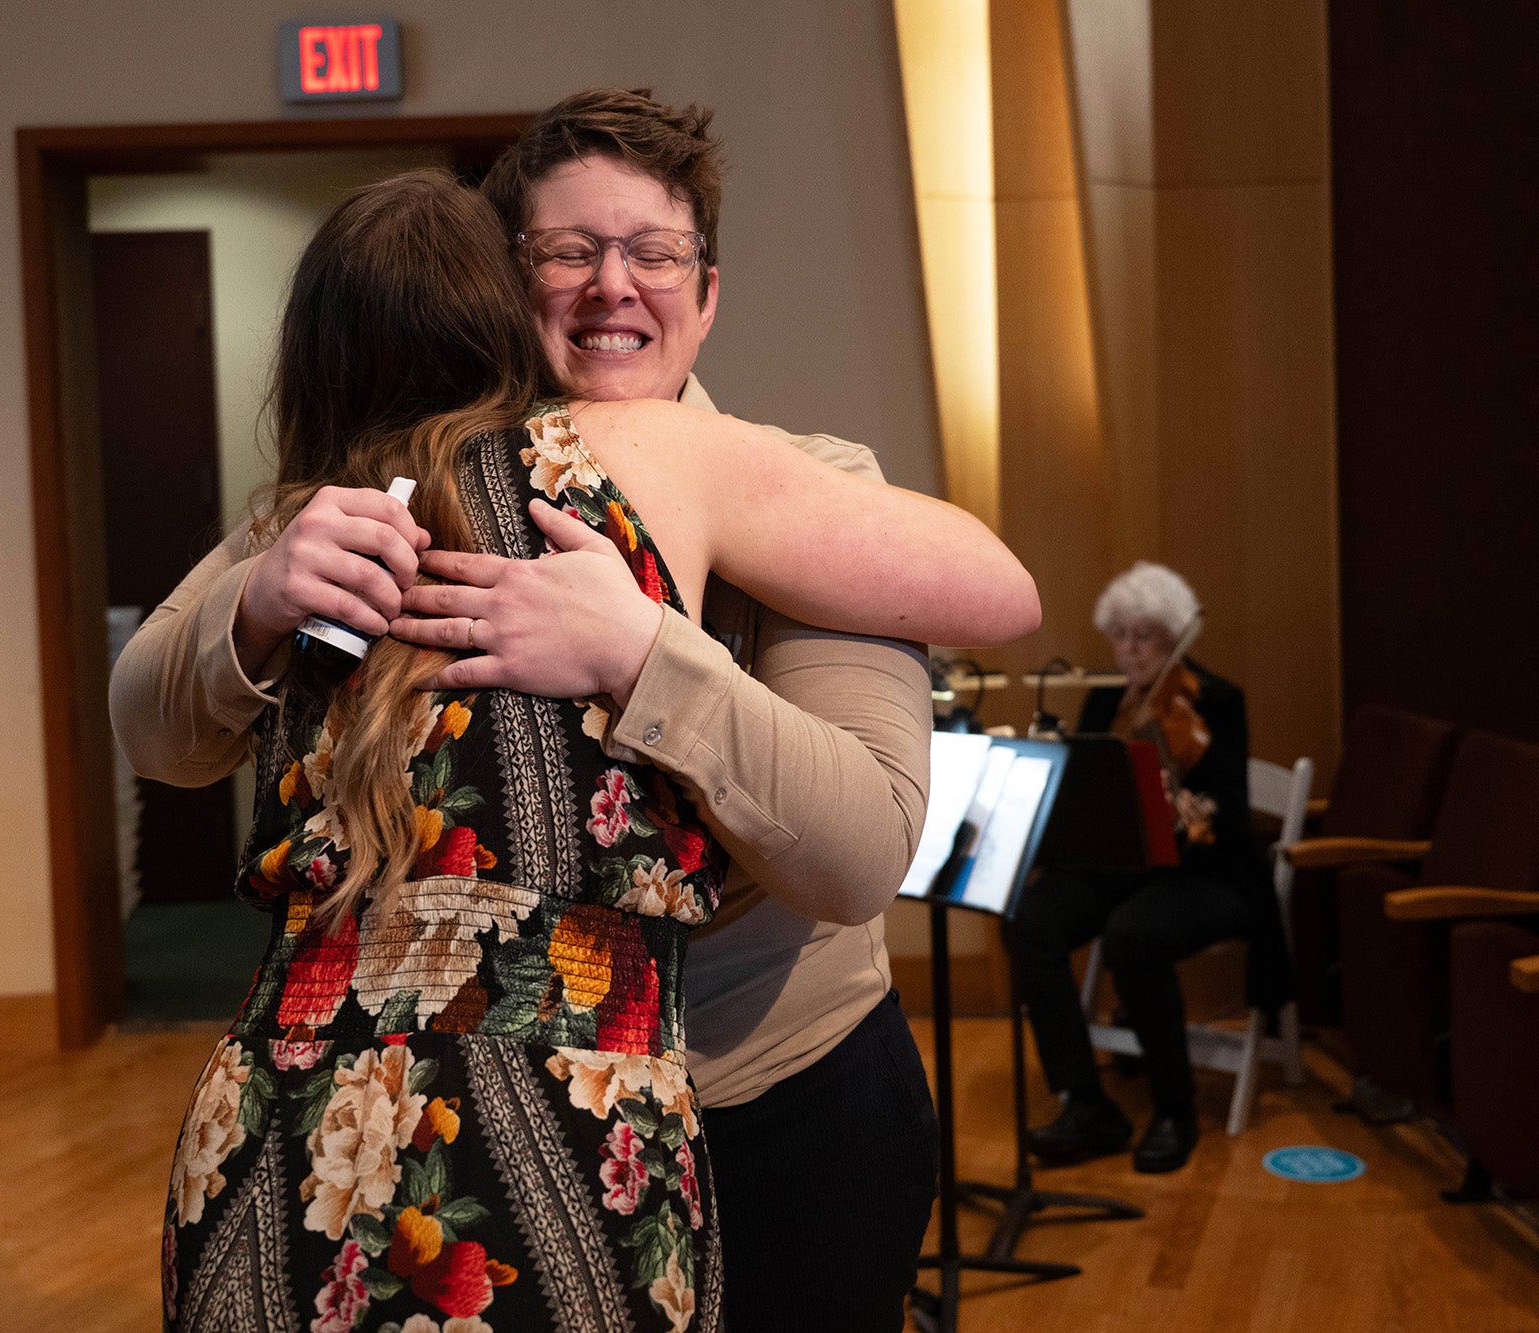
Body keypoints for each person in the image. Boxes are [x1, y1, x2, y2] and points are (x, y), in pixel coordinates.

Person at [112, 89, 1039, 1329]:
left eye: (652, 254)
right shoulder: (378, 478)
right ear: (504, 283)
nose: (613, 286)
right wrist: (255, 601)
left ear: (705, 293)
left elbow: (862, 849)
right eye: (566, 251)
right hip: (431, 1104)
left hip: (776, 1101)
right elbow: (154, 729)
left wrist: (646, 650)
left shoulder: (807, 488)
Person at [1005, 561, 1291, 1174]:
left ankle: (1174, 1111)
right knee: (1030, 919)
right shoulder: (1106, 699)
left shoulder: (1214, 701)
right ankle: (1085, 1103)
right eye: (1121, 636)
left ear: (1172, 636)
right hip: (1122, 867)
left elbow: (1227, 813)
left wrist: (1185, 807)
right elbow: (1085, 796)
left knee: (1134, 934)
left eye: (1145, 636)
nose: (1130, 649)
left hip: (1204, 871)